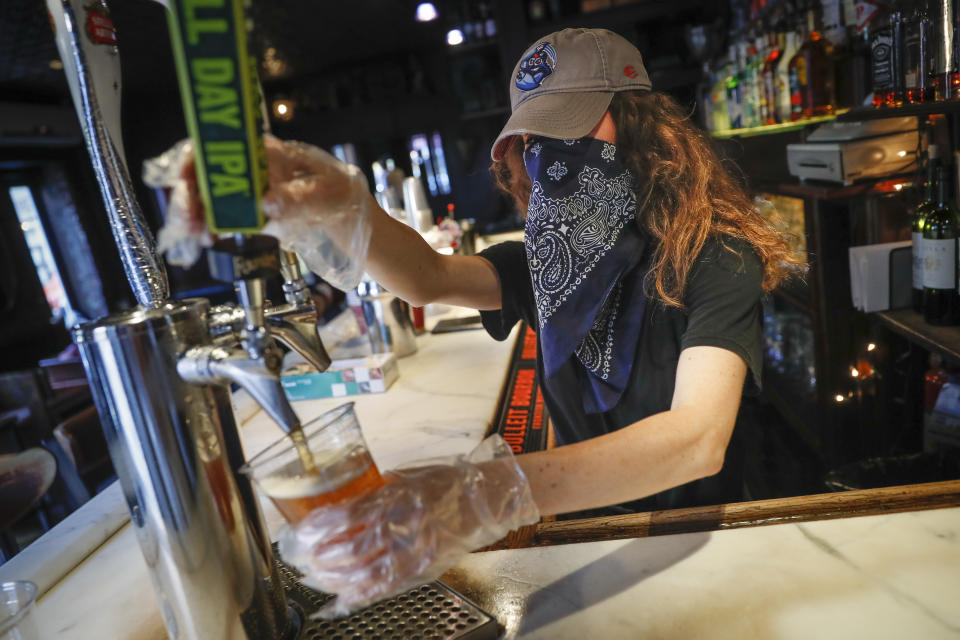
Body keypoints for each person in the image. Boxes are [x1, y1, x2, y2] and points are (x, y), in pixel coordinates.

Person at [181, 28, 800, 615]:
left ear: (641, 125)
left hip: (702, 542)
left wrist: (478, 494)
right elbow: (428, 276)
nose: (550, 157)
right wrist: (340, 204)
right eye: (537, 141)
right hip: (589, 534)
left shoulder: (714, 254)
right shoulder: (556, 259)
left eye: (572, 130)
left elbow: (697, 440)